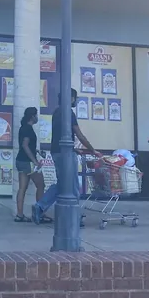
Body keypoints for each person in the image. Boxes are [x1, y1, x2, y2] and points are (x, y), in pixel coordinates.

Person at [32, 88, 100, 225]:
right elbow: (79, 135)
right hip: (65, 155)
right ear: (70, 98)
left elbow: (60, 135)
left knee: (63, 184)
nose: (76, 100)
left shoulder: (56, 112)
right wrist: (93, 150)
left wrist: (74, 149)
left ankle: (40, 206)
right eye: (75, 98)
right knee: (73, 185)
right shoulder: (69, 113)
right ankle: (74, 217)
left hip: (57, 151)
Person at [14, 107, 44, 222]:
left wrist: (35, 151)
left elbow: (26, 146)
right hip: (28, 162)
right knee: (41, 185)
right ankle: (39, 213)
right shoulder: (28, 129)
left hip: (20, 161)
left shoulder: (23, 128)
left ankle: (19, 215)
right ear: (32, 116)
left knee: (22, 188)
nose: (37, 117)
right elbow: (25, 145)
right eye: (36, 115)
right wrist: (35, 161)